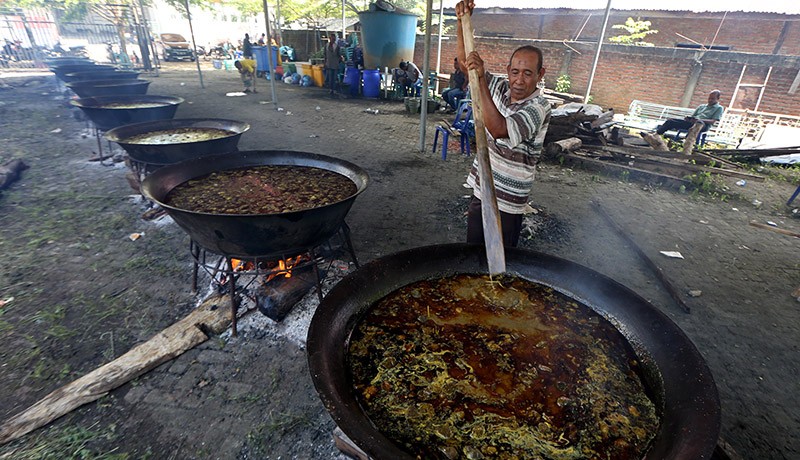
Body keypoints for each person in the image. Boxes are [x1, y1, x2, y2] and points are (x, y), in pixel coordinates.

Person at [456, 0, 551, 248]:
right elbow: (466, 67)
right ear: (508, 70)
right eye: (515, 71)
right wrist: (461, 22)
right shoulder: (499, 87)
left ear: (540, 75)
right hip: (483, 188)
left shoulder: (539, 107)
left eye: (528, 73)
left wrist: (480, 80)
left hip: (509, 201)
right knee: (472, 255)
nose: (519, 79)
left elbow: (500, 130)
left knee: (502, 266)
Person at [655, 90, 724, 136]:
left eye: (713, 99)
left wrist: (699, 120)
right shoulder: (702, 106)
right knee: (670, 121)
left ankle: (687, 141)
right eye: (709, 98)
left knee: (699, 123)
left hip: (703, 125)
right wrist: (689, 119)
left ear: (718, 99)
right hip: (692, 123)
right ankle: (656, 135)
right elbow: (693, 116)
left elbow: (713, 121)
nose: (710, 100)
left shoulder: (719, 108)